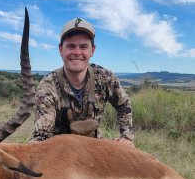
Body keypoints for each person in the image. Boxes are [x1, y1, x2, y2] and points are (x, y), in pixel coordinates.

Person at [29, 17, 134, 146]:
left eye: (83, 47)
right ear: (61, 50)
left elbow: (123, 104)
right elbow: (42, 136)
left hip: (94, 149)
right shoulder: (47, 87)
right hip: (59, 153)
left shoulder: (105, 78)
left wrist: (126, 136)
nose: (77, 52)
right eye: (71, 46)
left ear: (92, 50)